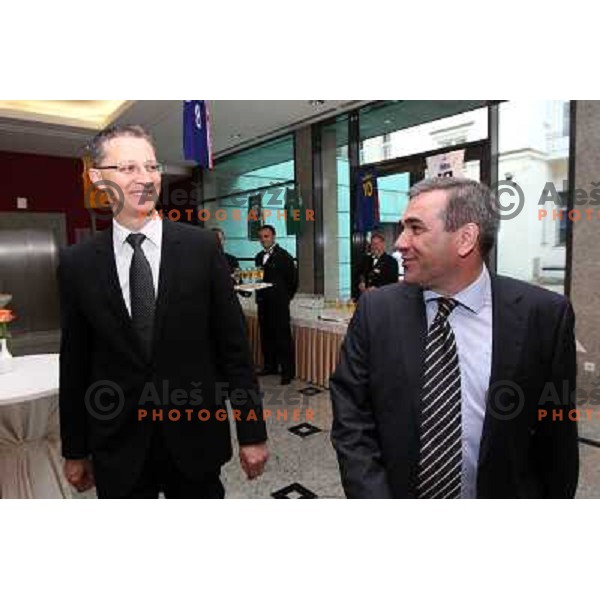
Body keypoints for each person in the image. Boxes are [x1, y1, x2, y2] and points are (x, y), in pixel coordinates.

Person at [330, 177, 578, 499]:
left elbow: (556, 439)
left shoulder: (544, 316)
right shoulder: (376, 311)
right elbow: (351, 414)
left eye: (415, 229)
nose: (400, 243)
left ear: (465, 239)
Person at [58, 125, 268, 498]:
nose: (145, 179)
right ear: (97, 178)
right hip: (118, 445)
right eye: (128, 168)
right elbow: (74, 364)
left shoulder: (201, 248)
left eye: (151, 167)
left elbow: (235, 351)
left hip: (195, 440)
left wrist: (252, 433)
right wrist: (75, 449)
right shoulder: (78, 264)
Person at [254, 225, 298, 385]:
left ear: (273, 237)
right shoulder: (259, 256)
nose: (263, 240)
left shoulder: (284, 256)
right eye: (261, 237)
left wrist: (285, 298)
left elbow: (293, 281)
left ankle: (288, 372)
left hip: (278, 305)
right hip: (263, 302)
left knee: (282, 337)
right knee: (266, 335)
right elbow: (258, 278)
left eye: (266, 236)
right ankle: (270, 366)